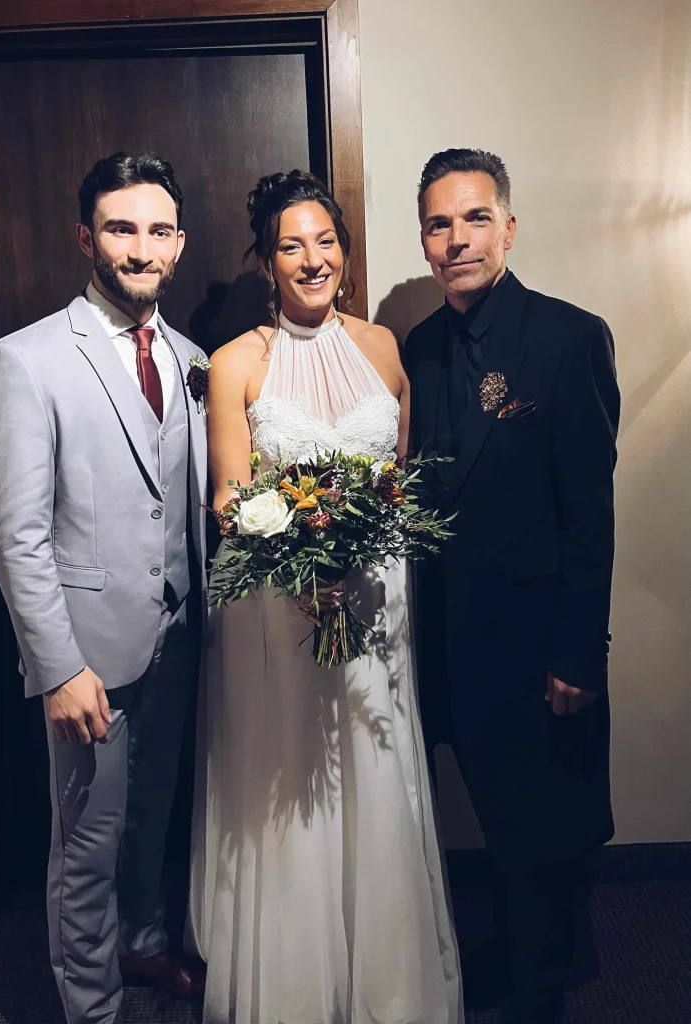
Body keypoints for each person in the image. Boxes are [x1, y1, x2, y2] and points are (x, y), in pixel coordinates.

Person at [186, 170, 462, 1024]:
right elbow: (229, 499)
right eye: (290, 245)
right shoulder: (236, 362)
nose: (312, 260)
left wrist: (356, 546)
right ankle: (298, 987)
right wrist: (301, 564)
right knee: (294, 775)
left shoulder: (385, 346)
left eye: (326, 241)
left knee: (372, 764)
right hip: (278, 607)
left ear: (344, 250)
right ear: (265, 263)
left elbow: (396, 481)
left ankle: (383, 977)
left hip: (375, 601)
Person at [0, 151, 208, 1024]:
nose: (140, 248)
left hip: (179, 636)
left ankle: (142, 943)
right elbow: (17, 535)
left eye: (157, 230)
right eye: (120, 229)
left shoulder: (193, 360)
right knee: (87, 841)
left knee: (153, 814)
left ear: (178, 243)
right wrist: (58, 666)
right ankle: (92, 1006)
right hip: (85, 655)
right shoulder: (23, 361)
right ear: (86, 238)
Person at [405, 148, 620, 1024]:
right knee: (492, 821)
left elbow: (590, 516)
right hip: (445, 639)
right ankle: (516, 963)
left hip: (535, 643)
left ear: (509, 227)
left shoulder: (570, 337)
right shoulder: (418, 348)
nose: (457, 239)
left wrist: (579, 652)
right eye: (438, 224)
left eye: (475, 218)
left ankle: (539, 996)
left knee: (539, 832)